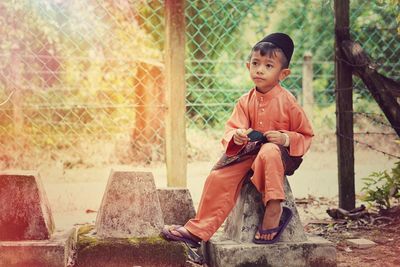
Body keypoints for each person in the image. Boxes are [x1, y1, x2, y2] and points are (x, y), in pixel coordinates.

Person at [162, 32, 314, 246]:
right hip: (249, 152)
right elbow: (231, 130)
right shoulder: (245, 101)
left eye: (269, 66)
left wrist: (284, 138)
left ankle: (274, 209)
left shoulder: (288, 101)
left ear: (283, 74)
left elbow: (306, 134)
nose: (260, 69)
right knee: (219, 175)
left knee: (269, 151)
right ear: (248, 66)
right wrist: (238, 136)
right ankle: (198, 230)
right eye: (255, 63)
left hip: (280, 156)